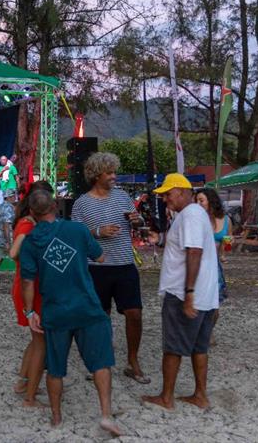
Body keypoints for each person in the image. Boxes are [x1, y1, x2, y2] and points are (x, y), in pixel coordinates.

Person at [20, 190, 120, 435]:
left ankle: (56, 416)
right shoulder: (77, 230)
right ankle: (106, 414)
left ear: (32, 213)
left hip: (56, 311)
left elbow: (28, 282)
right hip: (87, 307)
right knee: (101, 363)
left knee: (55, 368)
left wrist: (30, 311)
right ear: (56, 206)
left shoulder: (31, 242)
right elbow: (101, 256)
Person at [71, 152, 149, 384]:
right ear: (96, 175)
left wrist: (138, 221)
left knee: (135, 314)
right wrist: (97, 232)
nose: (115, 176)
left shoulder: (123, 197)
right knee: (100, 317)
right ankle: (99, 362)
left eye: (115, 171)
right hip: (96, 267)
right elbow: (76, 237)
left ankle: (132, 362)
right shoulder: (81, 203)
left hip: (125, 264)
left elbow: (139, 222)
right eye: (110, 172)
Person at [142, 173, 219, 410]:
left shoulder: (191, 215)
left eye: (168, 194)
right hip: (206, 294)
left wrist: (188, 292)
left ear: (182, 192)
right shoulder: (193, 214)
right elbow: (188, 245)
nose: (165, 199)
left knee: (173, 347)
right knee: (199, 347)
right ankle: (200, 395)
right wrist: (162, 238)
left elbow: (193, 252)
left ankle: (167, 397)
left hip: (184, 292)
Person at [10, 181, 53, 407]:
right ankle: (30, 393)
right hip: (29, 286)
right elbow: (14, 252)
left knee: (36, 340)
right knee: (41, 342)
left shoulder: (28, 221)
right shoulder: (28, 225)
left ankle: (24, 382)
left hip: (29, 285)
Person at [195, 188, 230, 323]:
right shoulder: (196, 219)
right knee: (199, 301)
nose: (198, 203)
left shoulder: (226, 220)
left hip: (215, 266)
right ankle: (201, 332)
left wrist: (225, 251)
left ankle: (208, 331)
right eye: (196, 200)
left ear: (211, 201)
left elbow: (226, 245)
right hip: (198, 263)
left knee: (214, 305)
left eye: (201, 200)